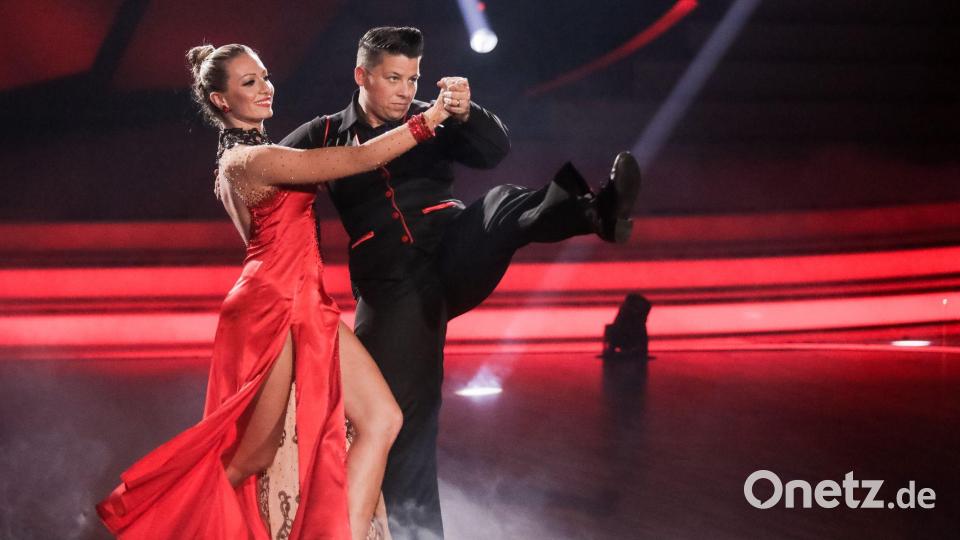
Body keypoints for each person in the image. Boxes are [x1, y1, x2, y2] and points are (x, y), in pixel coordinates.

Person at [280, 26, 641, 538]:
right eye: (393, 78)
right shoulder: (323, 134)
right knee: (402, 424)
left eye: (413, 78)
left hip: (452, 248)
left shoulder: (434, 117)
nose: (406, 90)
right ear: (361, 75)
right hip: (393, 287)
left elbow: (495, 149)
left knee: (497, 204)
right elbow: (272, 177)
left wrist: (469, 112)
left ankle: (595, 212)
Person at [96, 43, 455, 539]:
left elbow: (268, 241)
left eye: (264, 75)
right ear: (221, 101)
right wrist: (429, 117)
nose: (265, 87)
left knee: (382, 418)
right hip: (275, 307)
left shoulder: (241, 162)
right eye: (248, 82)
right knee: (252, 456)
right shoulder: (253, 161)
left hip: (303, 301)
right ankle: (169, 527)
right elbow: (361, 156)